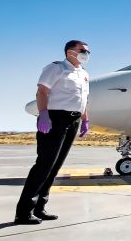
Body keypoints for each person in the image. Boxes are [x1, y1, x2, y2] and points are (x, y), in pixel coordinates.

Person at [14, 40, 91, 225]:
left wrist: (85, 120)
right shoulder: (56, 68)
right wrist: (43, 114)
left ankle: (40, 208)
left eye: (88, 51)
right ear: (70, 52)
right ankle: (23, 212)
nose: (86, 54)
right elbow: (42, 92)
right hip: (55, 120)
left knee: (55, 166)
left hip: (73, 121)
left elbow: (83, 99)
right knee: (44, 165)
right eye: (82, 50)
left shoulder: (83, 73)